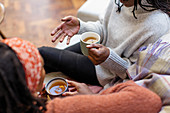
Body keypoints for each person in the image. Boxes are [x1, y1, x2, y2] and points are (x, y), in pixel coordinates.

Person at [0, 37, 162, 113]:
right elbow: (148, 100)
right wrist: (92, 99)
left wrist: (82, 26)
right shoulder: (59, 109)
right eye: (40, 68)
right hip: (106, 71)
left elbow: (102, 30)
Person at [38, 0, 170, 88]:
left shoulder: (157, 25)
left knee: (43, 53)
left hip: (106, 71)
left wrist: (108, 57)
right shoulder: (121, 2)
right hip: (98, 49)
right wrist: (81, 26)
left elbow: (134, 73)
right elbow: (103, 28)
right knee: (44, 60)